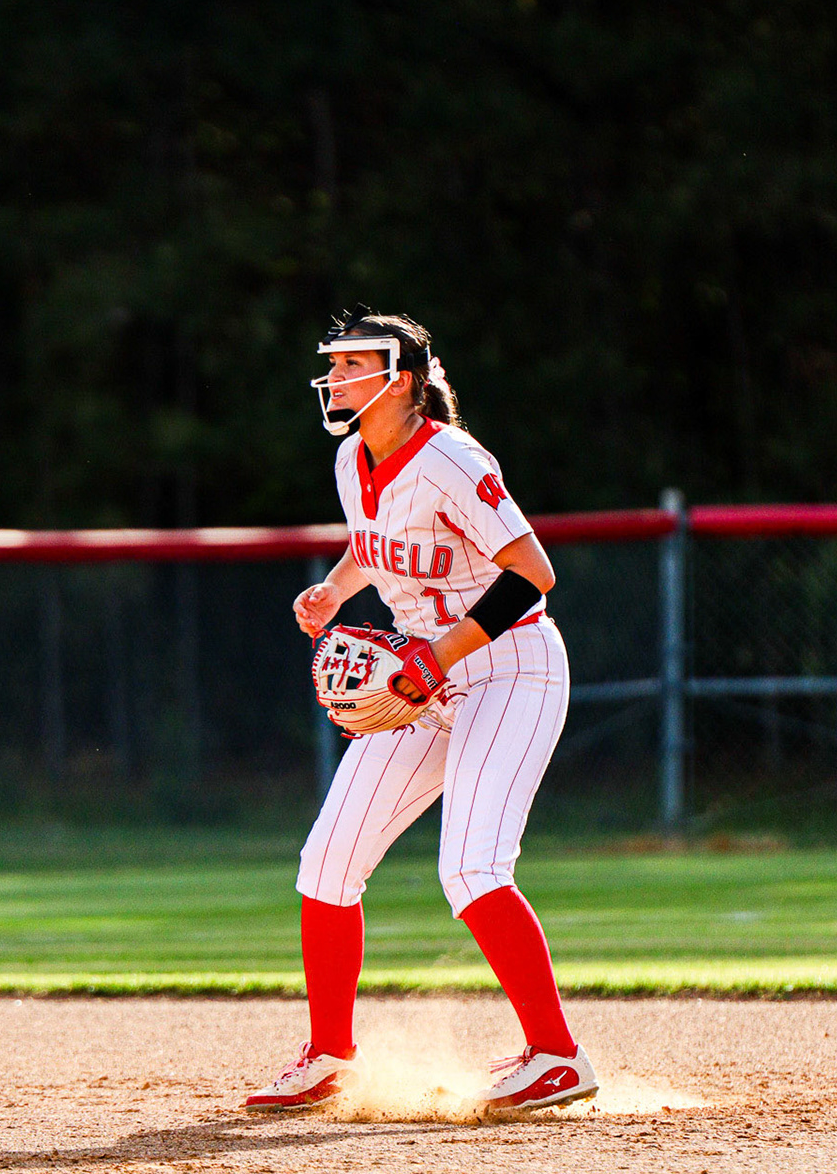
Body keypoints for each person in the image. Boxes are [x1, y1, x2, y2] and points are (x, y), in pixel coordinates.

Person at [244, 311, 595, 1115]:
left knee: (471, 868)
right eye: (333, 365)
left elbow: (531, 573)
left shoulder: (450, 457)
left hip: (509, 666)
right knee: (327, 862)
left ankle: (557, 1056)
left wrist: (436, 658)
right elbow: (375, 543)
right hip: (421, 675)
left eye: (352, 365)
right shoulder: (351, 458)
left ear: (400, 380)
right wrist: (336, 589)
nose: (335, 378)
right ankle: (330, 1056)